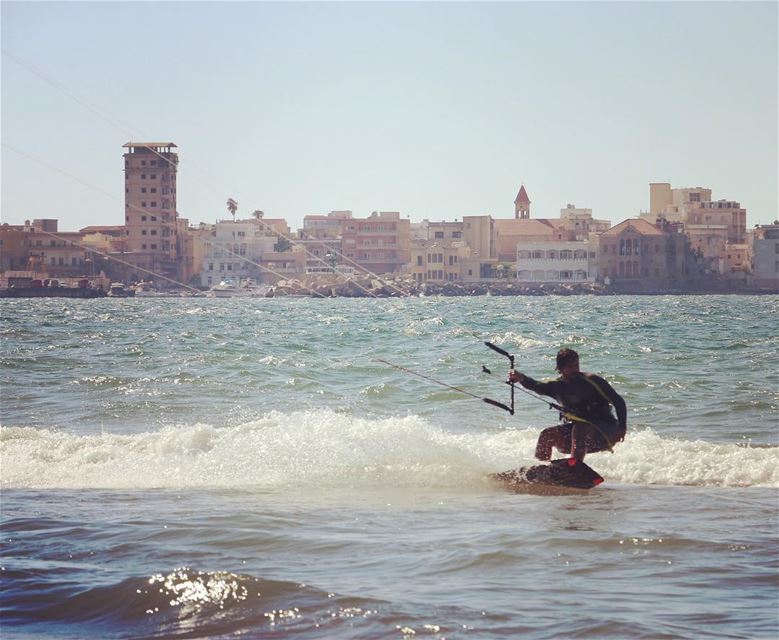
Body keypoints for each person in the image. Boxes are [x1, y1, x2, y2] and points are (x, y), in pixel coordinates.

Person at [508, 348, 627, 466]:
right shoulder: (557, 386)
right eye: (570, 366)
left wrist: (622, 427)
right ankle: (541, 471)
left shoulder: (592, 380)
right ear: (560, 368)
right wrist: (520, 378)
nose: (575, 369)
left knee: (581, 427)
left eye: (576, 365)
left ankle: (574, 468)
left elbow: (618, 401)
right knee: (547, 435)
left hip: (606, 432)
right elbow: (536, 386)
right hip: (578, 438)